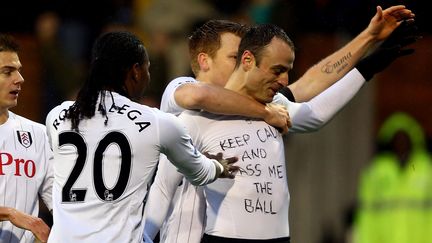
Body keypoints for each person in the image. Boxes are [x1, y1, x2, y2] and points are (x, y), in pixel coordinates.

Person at [143, 5, 417, 242]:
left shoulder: (270, 104)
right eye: (235, 57)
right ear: (204, 61)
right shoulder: (184, 101)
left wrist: (368, 47)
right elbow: (164, 186)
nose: (243, 63)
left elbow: (312, 91)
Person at [44, 31, 239, 243]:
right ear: (136, 71)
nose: (148, 76)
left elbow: (55, 176)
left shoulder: (57, 117)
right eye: (147, 68)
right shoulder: (157, 123)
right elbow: (200, 173)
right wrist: (219, 166)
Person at [0, 34, 53, 242]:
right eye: (7, 72)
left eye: (19, 70)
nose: (20, 79)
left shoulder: (37, 134)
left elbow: (60, 203)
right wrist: (10, 213)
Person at [353, 112, 432, 243]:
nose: (401, 144)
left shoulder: (427, 170)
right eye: (397, 139)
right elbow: (365, 216)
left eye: (405, 139)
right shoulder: (375, 173)